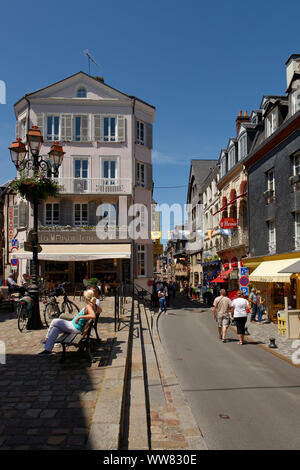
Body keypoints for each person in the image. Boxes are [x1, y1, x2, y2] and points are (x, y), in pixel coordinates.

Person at [38, 289, 96, 356]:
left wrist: (79, 317)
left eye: (83, 296)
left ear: (86, 297)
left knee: (54, 321)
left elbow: (93, 316)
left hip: (74, 327)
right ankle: (47, 350)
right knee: (55, 330)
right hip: (73, 325)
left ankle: (47, 338)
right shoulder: (92, 305)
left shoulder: (89, 306)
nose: (83, 297)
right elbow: (99, 310)